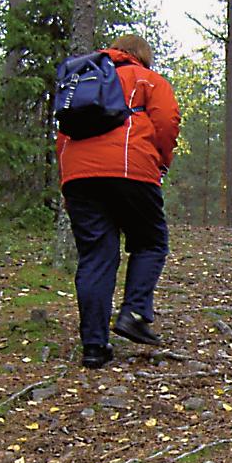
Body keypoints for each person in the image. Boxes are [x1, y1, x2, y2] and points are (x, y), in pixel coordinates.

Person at [56, 34, 181, 369]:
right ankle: (135, 313)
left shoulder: (82, 79)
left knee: (96, 256)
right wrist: (161, 161)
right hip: (131, 169)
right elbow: (167, 122)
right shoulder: (147, 79)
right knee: (150, 241)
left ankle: (94, 347)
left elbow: (63, 133)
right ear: (142, 55)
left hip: (79, 175)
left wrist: (67, 184)